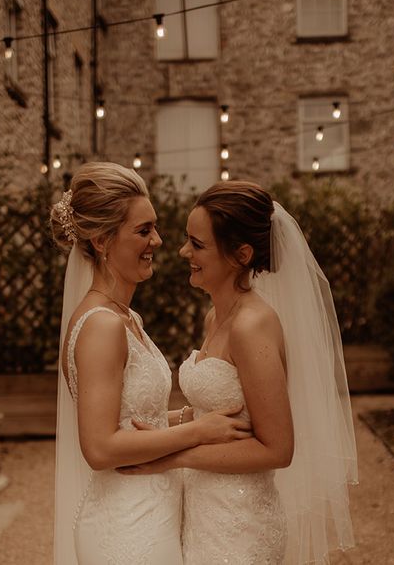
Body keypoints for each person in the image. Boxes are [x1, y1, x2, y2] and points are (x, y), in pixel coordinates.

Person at [120, 181, 358, 564]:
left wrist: (176, 456)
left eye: (197, 245)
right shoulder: (215, 316)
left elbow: (277, 449)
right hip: (203, 511)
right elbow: (212, 413)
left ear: (241, 254)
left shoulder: (253, 326)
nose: (183, 252)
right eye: (187, 240)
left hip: (241, 524)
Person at [51, 162, 252, 565]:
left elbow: (133, 416)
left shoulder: (126, 318)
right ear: (103, 241)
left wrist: (187, 415)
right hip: (125, 529)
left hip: (148, 515)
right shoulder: (102, 327)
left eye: (155, 228)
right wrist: (197, 431)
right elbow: (100, 446)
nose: (158, 241)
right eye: (143, 231)